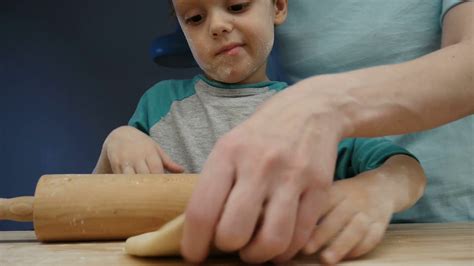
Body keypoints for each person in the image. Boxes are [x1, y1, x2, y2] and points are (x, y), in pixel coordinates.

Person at [93, 0, 427, 264]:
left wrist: (374, 192)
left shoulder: (309, 113)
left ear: (278, 6)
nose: (218, 25)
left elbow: (404, 168)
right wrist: (117, 140)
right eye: (195, 18)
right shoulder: (158, 105)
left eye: (237, 6)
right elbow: (94, 206)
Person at [180, 0, 473, 264]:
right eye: (195, 19)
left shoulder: (327, 119)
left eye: (237, 7)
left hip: (449, 226)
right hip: (322, 237)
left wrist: (325, 105)